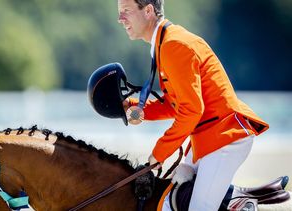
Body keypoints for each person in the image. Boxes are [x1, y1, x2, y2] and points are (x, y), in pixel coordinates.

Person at [115, 0, 269, 210]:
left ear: (148, 11)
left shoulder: (173, 44)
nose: (120, 18)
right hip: (208, 137)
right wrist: (133, 107)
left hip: (225, 137)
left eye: (126, 11)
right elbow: (175, 104)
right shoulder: (164, 42)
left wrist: (158, 155)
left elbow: (191, 111)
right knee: (170, 203)